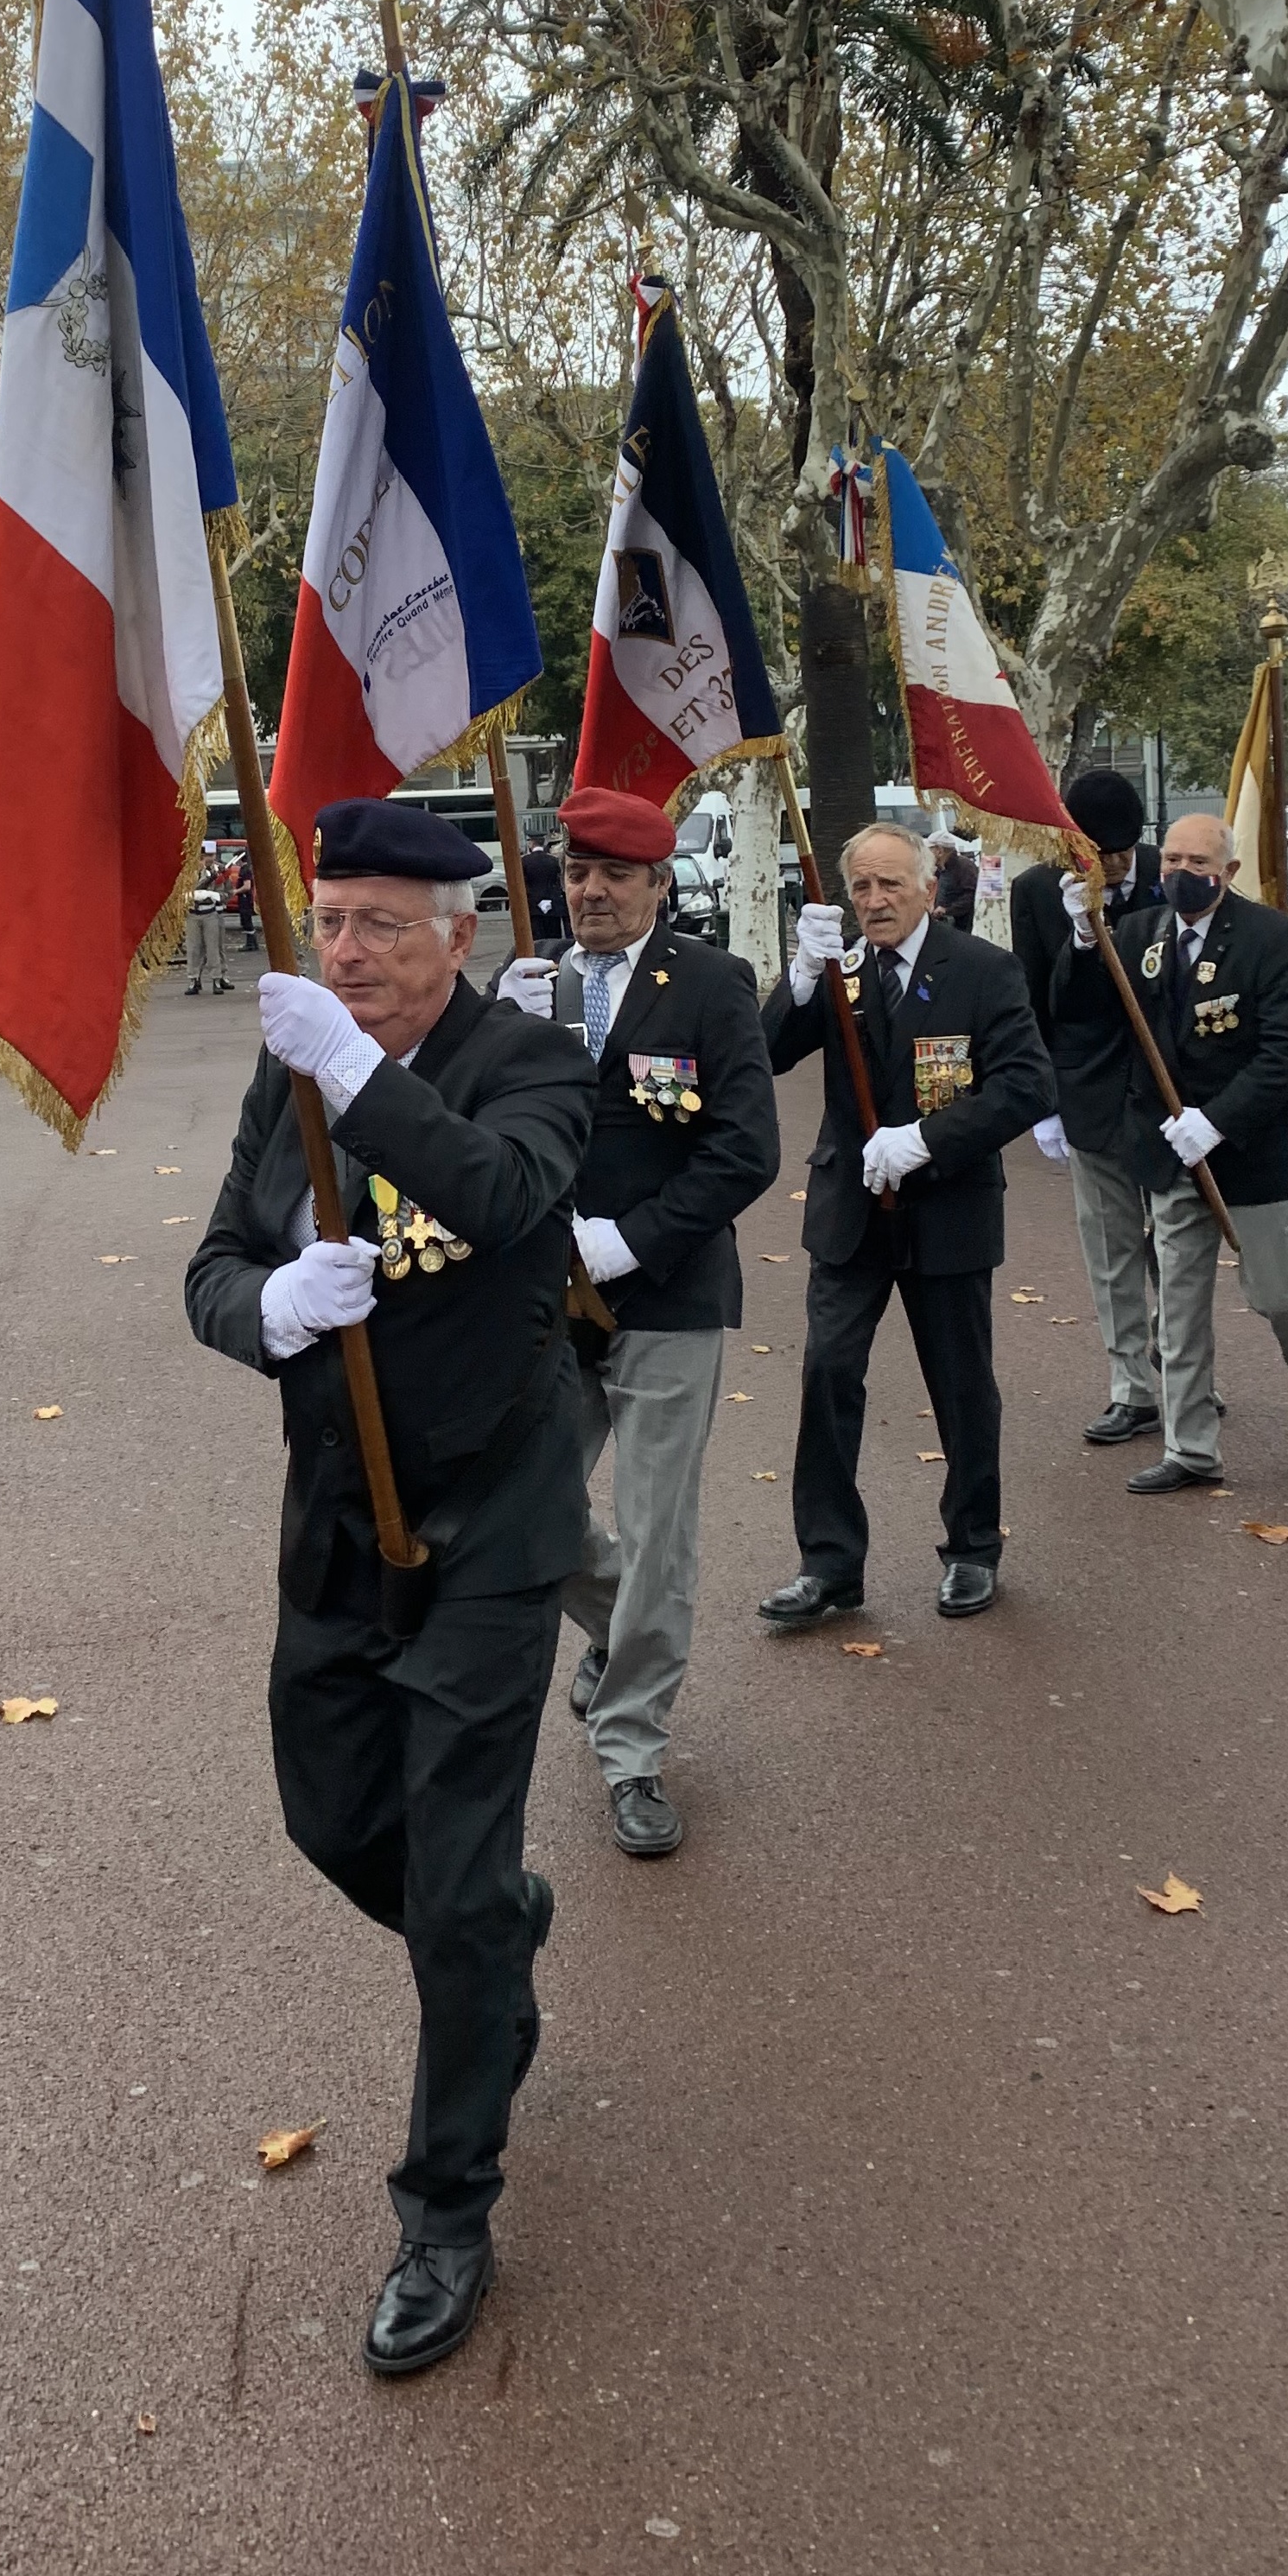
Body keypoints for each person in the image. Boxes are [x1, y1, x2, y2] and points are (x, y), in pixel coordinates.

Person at [183, 800, 597, 2379]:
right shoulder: (282, 1070)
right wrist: (270, 1307)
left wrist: (357, 1078)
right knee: (339, 1819)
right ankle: (492, 1935)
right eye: (330, 920)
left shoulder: (536, 1066)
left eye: (381, 926)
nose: (344, 951)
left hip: (491, 1524)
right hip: (340, 1528)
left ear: (460, 934)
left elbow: (500, 1197)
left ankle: (444, 2207)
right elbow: (214, 1261)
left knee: (450, 1854)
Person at [494, 786, 781, 1860]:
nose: (591, 891)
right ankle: (620, 1638)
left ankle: (630, 1751)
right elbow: (471, 1138)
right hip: (546, 1305)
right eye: (577, 871)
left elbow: (746, 1147)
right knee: (523, 1502)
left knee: (658, 1535)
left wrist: (634, 1238)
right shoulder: (530, 982)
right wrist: (494, 1042)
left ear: (660, 883)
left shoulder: (709, 985)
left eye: (616, 873)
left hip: (665, 1296)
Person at [758, 824, 1055, 1628]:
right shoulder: (840, 974)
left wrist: (928, 1138)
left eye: (891, 884)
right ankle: (829, 1565)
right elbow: (766, 1052)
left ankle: (971, 1548)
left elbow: (1027, 1086)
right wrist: (798, 977)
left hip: (946, 1209)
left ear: (930, 886)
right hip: (850, 1212)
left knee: (961, 1388)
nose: (876, 900)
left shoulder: (984, 973)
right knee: (827, 1379)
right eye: (861, 887)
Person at [1052, 811, 1288, 1491]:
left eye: (1198, 864)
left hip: (1257, 1153)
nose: (1181, 874)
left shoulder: (1271, 936)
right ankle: (1191, 1449)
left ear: (1226, 872)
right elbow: (1084, 1014)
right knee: (1182, 1309)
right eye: (1171, 860)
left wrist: (1217, 1121)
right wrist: (1084, 938)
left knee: (1283, 1297)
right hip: (1173, 1155)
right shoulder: (1138, 933)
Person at [1011, 771, 1165, 1441]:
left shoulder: (1172, 872)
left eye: (1126, 850)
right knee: (1113, 1250)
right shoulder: (1038, 892)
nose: (1117, 863)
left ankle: (1189, 1375)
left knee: (1180, 1252)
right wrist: (1044, 1102)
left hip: (1169, 1096)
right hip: (1091, 1092)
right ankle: (1133, 1387)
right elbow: (1035, 1001)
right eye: (1102, 851)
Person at [184, 851, 234, 995]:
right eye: (204, 857)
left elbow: (227, 893)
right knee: (194, 949)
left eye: (211, 856)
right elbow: (180, 892)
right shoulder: (188, 874)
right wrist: (190, 895)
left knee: (214, 949)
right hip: (193, 913)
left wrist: (215, 895)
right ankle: (194, 979)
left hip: (210, 913)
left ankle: (217, 980)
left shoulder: (219, 873)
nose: (208, 859)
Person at [519, 835, 570, 953]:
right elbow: (559, 881)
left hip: (534, 905)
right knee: (554, 938)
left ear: (531, 844)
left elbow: (523, 883)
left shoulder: (525, 861)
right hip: (553, 904)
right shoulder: (554, 860)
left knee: (537, 941)